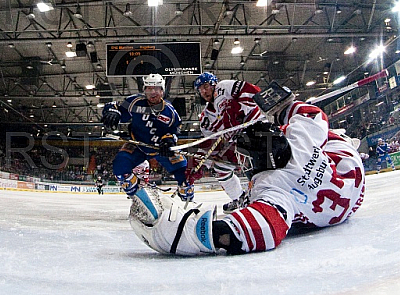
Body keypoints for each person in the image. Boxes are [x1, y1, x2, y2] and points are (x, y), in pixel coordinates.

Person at [129, 96, 366, 256]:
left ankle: (341, 140)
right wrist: (285, 105)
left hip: (337, 201)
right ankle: (344, 139)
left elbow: (264, 228)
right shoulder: (300, 138)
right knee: (324, 136)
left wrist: (189, 232)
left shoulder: (271, 188)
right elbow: (313, 115)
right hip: (349, 169)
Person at [101, 73, 191, 203]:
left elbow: (175, 130)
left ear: (162, 90)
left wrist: (169, 140)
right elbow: (116, 107)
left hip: (161, 149)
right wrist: (111, 112)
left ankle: (188, 203)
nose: (153, 92)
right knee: (119, 167)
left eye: (156, 88)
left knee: (184, 173)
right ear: (144, 90)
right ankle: (139, 199)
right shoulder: (134, 102)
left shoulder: (170, 112)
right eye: (149, 88)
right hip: (138, 145)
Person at [192, 72, 269, 212]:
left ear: (214, 84)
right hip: (237, 143)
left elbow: (253, 91)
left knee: (263, 167)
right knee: (221, 168)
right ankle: (240, 199)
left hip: (257, 131)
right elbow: (212, 143)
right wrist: (208, 160)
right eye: (200, 89)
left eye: (206, 86)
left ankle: (268, 198)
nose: (203, 91)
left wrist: (243, 111)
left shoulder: (224, 87)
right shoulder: (205, 117)